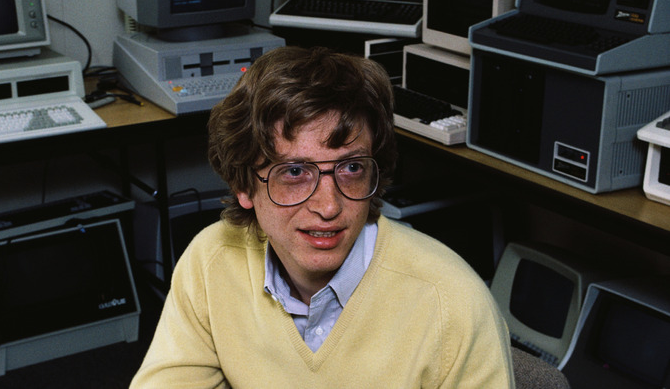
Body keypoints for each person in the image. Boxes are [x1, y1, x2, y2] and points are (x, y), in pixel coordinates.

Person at [130, 46, 514, 388]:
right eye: (295, 173)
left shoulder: (453, 304)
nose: (329, 207)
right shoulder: (211, 260)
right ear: (243, 185)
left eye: (350, 168)